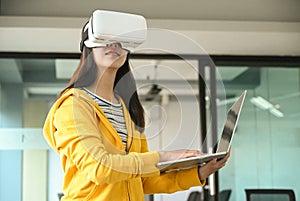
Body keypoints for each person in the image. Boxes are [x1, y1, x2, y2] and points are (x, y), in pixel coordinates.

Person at [43, 12, 230, 201]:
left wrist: (199, 173)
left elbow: (143, 181)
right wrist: (164, 156)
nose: (114, 44)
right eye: (105, 38)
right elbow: (99, 168)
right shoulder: (72, 107)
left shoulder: (127, 108)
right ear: (88, 46)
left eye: (120, 40)